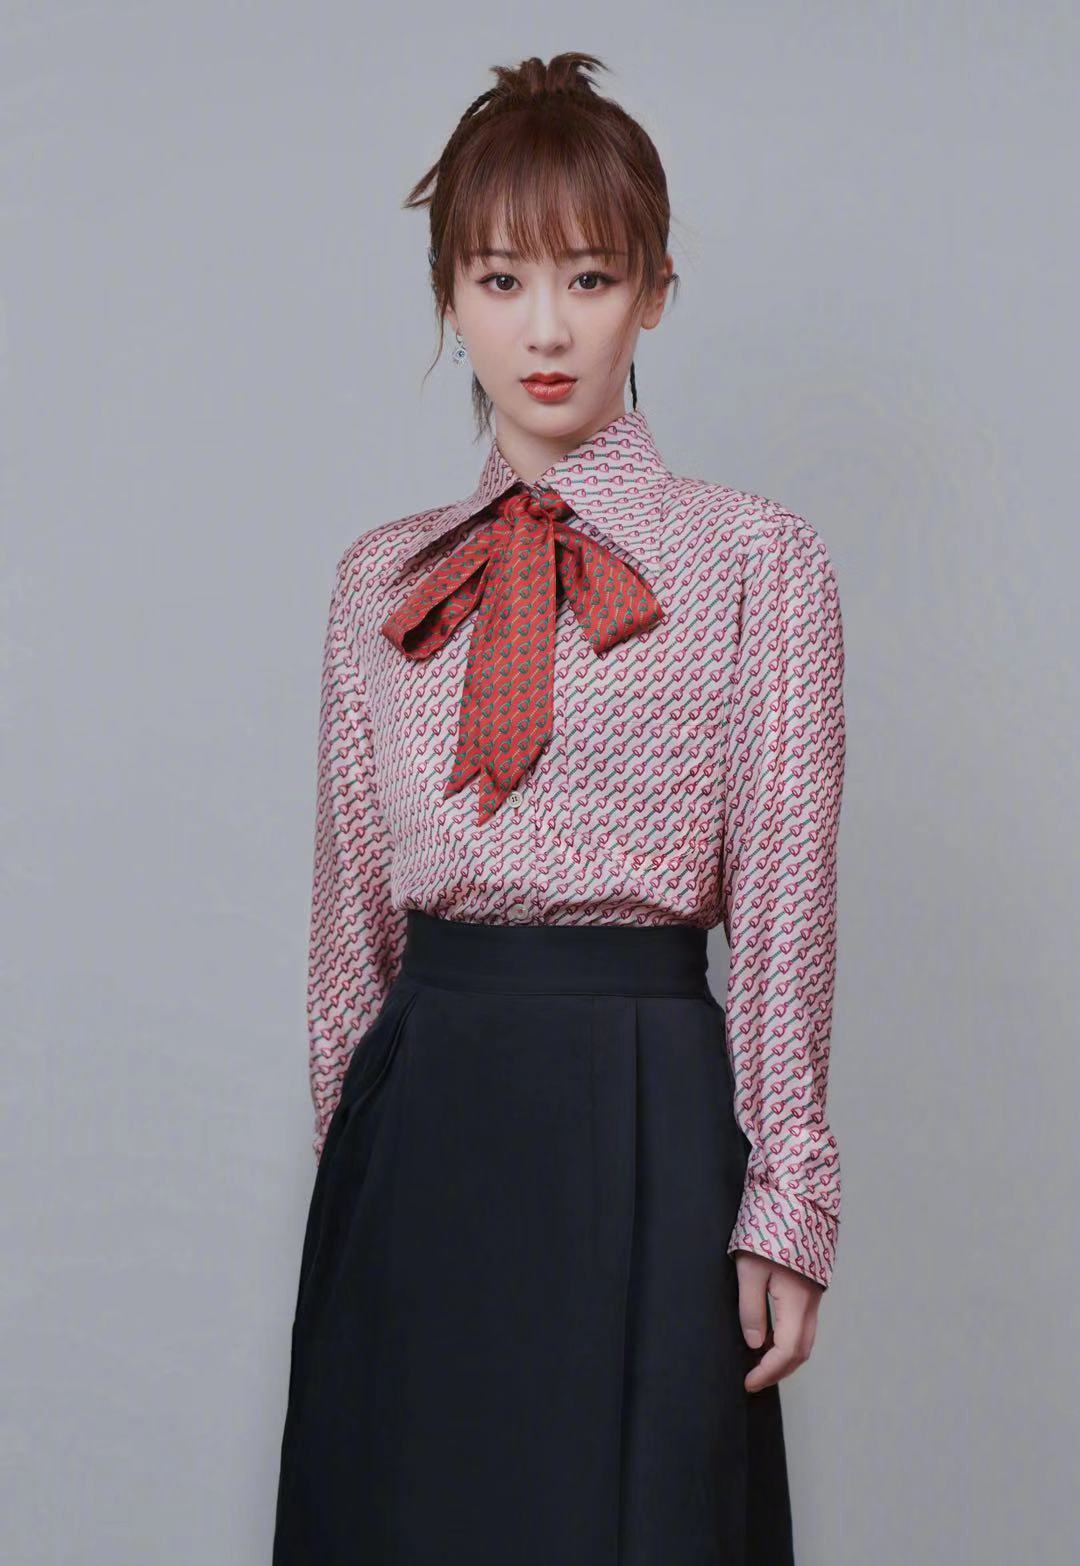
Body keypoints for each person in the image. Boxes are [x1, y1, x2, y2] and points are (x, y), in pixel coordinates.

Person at [272, 50, 845, 1566]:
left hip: (651, 1107)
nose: (544, 327)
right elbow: (348, 927)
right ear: (449, 299)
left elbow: (786, 902)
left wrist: (787, 1196)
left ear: (654, 292)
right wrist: (360, 1166)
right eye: (501, 278)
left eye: (590, 277)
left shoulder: (756, 562)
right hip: (424, 1129)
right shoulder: (379, 580)